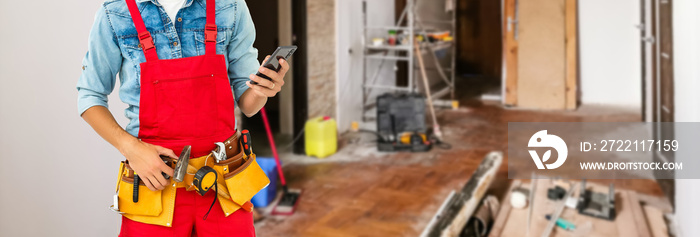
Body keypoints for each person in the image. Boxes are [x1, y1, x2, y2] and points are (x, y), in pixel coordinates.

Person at [76, 0, 288, 236]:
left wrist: (261, 91)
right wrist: (131, 149)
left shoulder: (230, 6)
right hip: (154, 182)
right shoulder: (115, 14)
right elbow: (90, 96)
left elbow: (248, 104)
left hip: (223, 183)